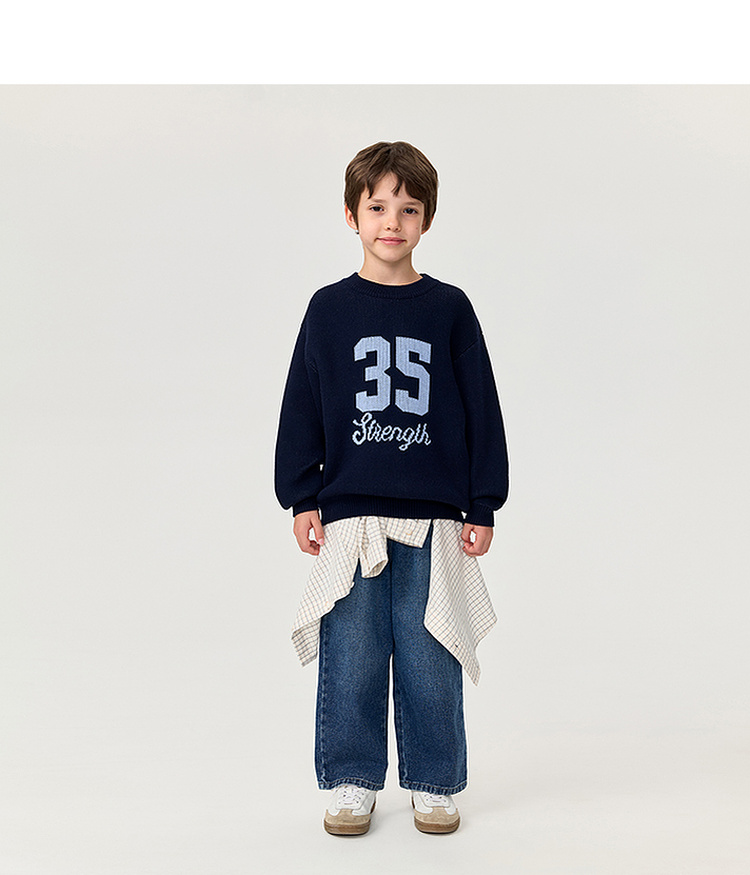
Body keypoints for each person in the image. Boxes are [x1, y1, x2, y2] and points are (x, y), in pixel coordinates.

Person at [274, 141, 508, 836]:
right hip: (351, 516)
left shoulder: (449, 309)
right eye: (377, 207)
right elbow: (303, 404)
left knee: (430, 651)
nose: (392, 222)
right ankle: (352, 779)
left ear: (426, 218)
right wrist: (302, 495)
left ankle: (434, 781)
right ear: (352, 215)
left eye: (408, 209)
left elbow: (481, 407)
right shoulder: (328, 309)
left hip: (434, 517)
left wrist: (483, 501)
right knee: (352, 653)